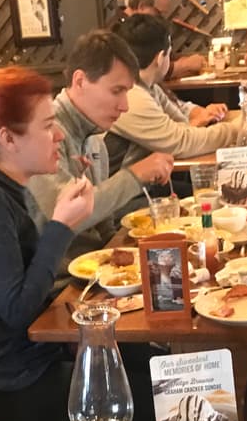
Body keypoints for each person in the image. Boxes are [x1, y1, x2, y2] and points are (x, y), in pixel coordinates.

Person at [0, 66, 157, 421]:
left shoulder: (4, 188)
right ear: (8, 139)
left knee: (156, 367)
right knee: (148, 398)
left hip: (28, 357)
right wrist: (60, 227)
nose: (60, 134)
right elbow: (17, 309)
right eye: (48, 125)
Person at [25, 30, 174, 256]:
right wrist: (135, 175)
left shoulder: (95, 140)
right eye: (117, 91)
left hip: (95, 270)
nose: (124, 106)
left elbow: (105, 228)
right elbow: (66, 220)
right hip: (58, 284)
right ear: (80, 81)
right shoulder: (45, 133)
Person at [107, 15, 241, 172]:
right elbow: (181, 143)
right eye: (169, 54)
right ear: (160, 58)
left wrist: (202, 117)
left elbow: (181, 122)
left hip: (145, 181)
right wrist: (236, 129)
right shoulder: (132, 96)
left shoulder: (149, 87)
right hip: (125, 191)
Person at [123, 0, 206, 78]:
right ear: (142, 7)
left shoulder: (141, 29)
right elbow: (142, 71)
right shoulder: (121, 31)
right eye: (159, 14)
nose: (162, 20)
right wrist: (185, 65)